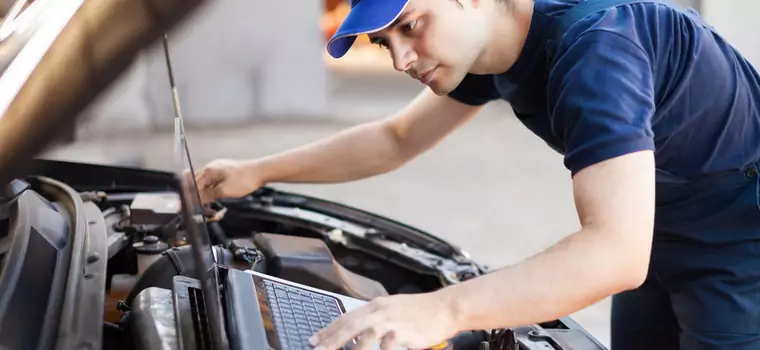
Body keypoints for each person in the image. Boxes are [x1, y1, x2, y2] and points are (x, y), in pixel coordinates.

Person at [194, 0, 760, 349]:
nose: (400, 60)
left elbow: (615, 252)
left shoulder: (596, 51)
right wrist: (256, 170)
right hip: (659, 228)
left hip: (740, 248)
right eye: (383, 41)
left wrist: (442, 309)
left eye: (411, 26)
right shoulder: (498, 44)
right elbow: (395, 139)